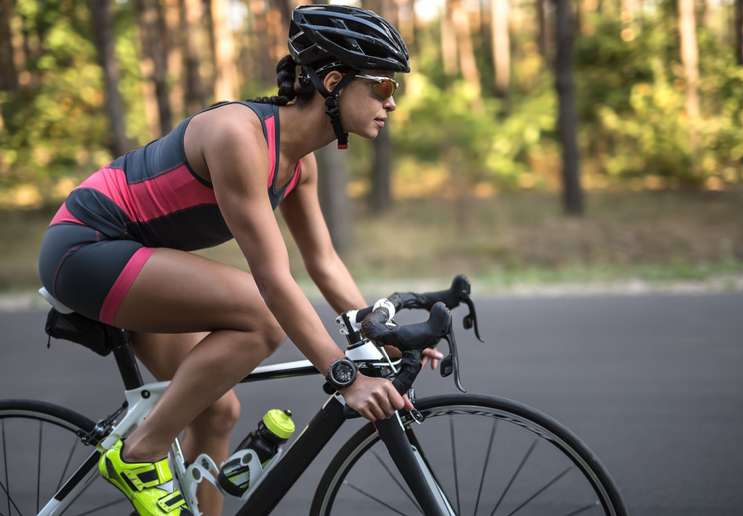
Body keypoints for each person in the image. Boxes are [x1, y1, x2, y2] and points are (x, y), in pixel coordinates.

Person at [36, 5, 442, 516]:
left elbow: (323, 263)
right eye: (382, 86)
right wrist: (346, 377)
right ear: (334, 82)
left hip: (135, 258)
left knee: (216, 411)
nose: (392, 103)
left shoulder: (299, 166)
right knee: (261, 318)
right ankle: (139, 454)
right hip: (84, 248)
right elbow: (272, 279)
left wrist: (380, 338)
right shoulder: (238, 135)